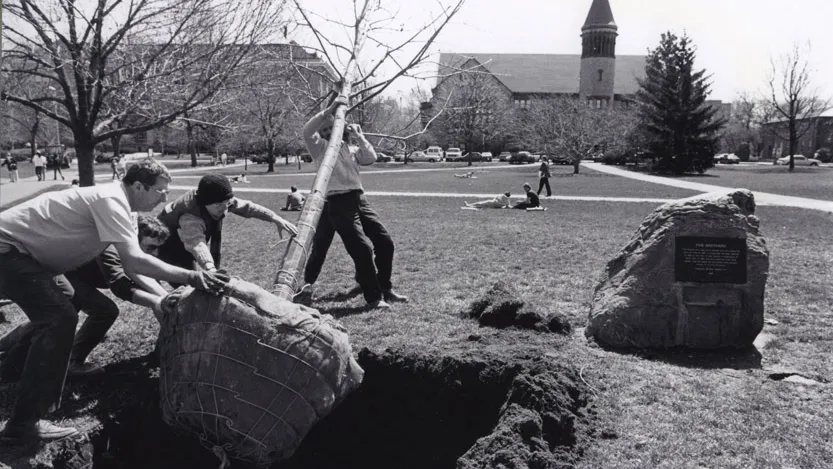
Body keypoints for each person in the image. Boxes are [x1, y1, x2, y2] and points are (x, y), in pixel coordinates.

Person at [0, 159, 227, 443]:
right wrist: (193, 278)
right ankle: (23, 425)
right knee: (59, 317)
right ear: (138, 185)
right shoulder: (110, 200)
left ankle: (8, 369)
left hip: (28, 256)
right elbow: (135, 261)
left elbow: (131, 268)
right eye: (160, 190)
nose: (165, 196)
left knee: (65, 302)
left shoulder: (126, 210)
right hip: (8, 248)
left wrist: (166, 297)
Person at [0, 215, 171, 379]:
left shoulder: (136, 252)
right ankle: (72, 362)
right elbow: (118, 283)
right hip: (65, 272)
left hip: (76, 275)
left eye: (157, 248)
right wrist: (156, 302)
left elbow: (152, 283)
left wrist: (165, 303)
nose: (154, 254)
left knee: (55, 316)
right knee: (104, 311)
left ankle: (4, 344)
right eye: (150, 248)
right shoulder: (112, 245)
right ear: (134, 239)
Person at [294, 96, 408, 309]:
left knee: (385, 242)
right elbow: (307, 131)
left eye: (332, 129)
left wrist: (360, 135)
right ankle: (374, 298)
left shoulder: (352, 148)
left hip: (358, 198)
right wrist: (328, 110)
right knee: (360, 248)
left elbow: (371, 158)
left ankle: (385, 287)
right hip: (336, 202)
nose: (329, 133)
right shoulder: (320, 148)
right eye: (325, 130)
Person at [156, 174, 297, 275]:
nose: (224, 209)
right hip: (166, 243)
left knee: (204, 279)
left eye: (226, 204)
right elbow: (197, 244)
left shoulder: (220, 200)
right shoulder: (190, 216)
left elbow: (248, 207)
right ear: (205, 203)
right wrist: (210, 268)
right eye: (218, 205)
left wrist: (275, 217)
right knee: (191, 282)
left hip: (186, 239)